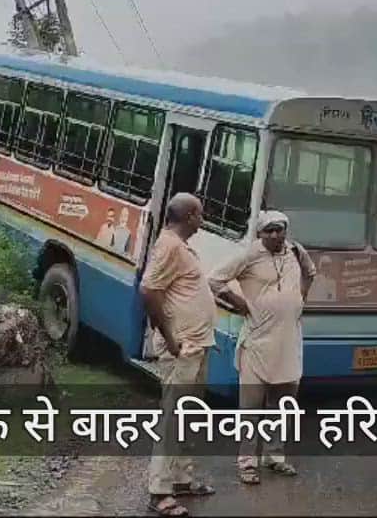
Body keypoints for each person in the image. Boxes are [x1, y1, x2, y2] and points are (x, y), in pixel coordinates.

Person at [210, 210, 316, 486]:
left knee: (283, 405)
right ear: (260, 233)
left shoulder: (295, 252)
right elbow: (214, 280)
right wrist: (238, 303)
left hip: (289, 340)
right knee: (251, 407)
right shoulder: (249, 255)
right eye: (269, 230)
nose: (275, 234)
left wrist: (300, 298)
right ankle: (247, 462)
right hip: (257, 341)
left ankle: (275, 456)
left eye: (279, 229)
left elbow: (310, 273)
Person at [141, 193, 217, 517]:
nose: (202, 219)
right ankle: (159, 492)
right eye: (200, 214)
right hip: (182, 346)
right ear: (189, 216)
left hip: (197, 344)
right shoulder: (170, 245)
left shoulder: (181, 246)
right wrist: (170, 338)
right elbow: (148, 289)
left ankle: (182, 479)